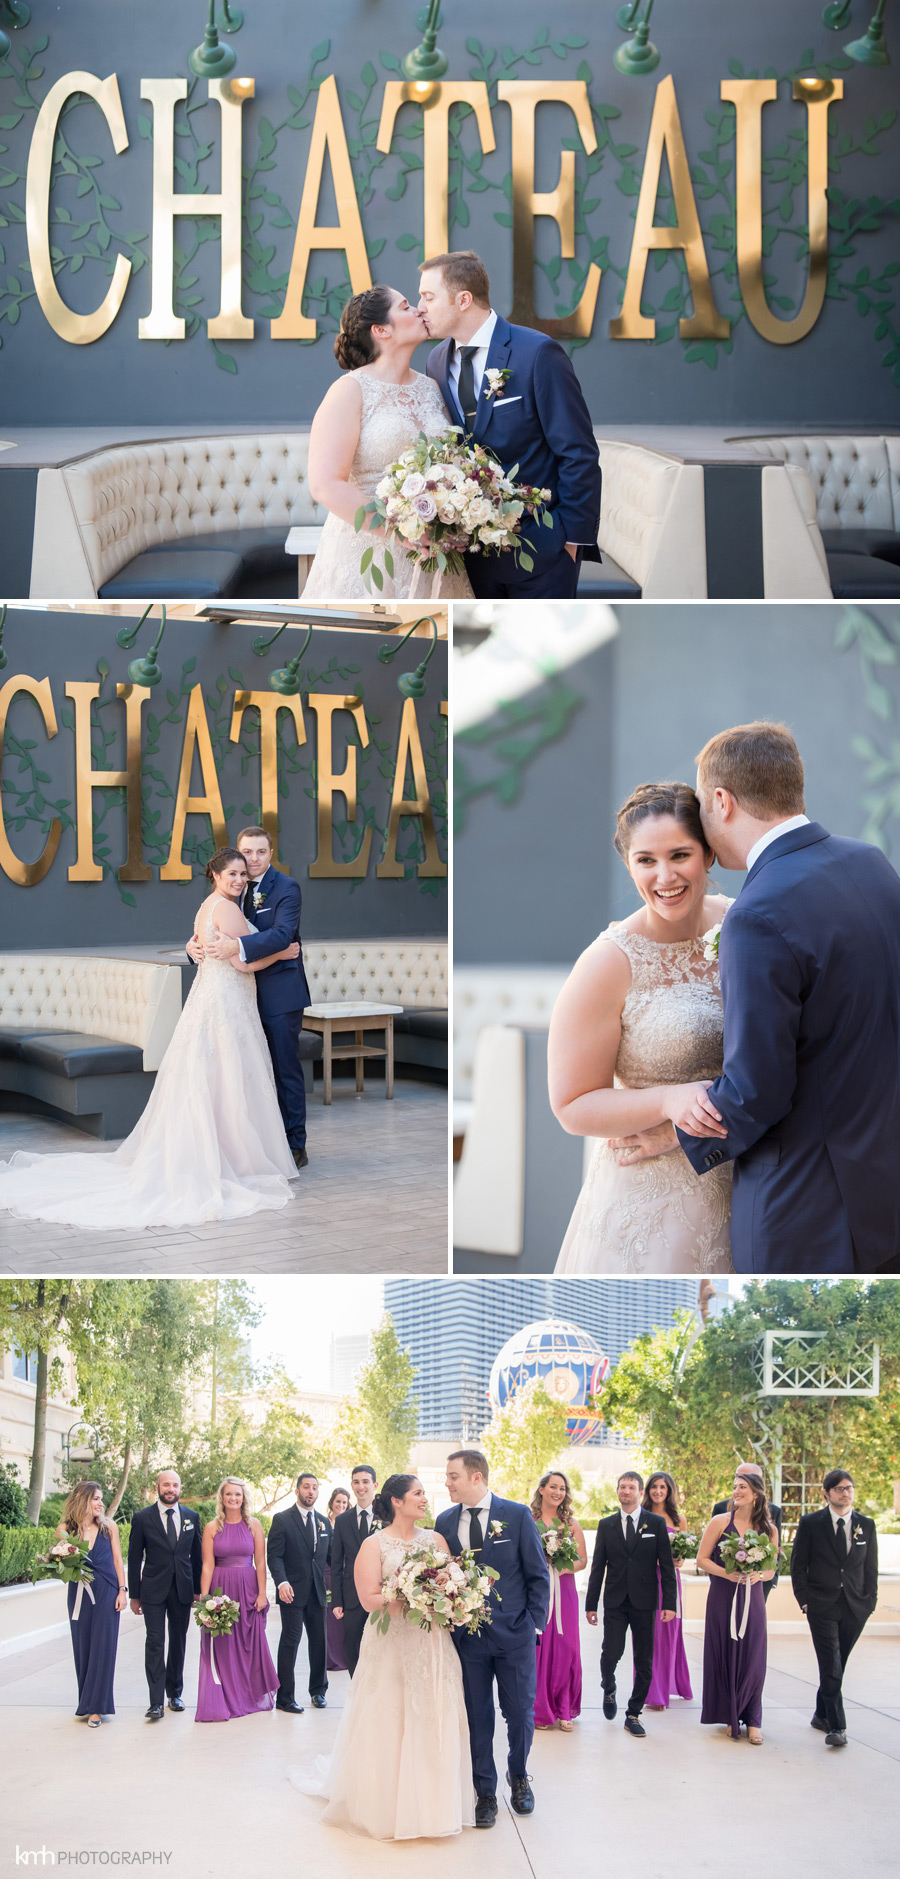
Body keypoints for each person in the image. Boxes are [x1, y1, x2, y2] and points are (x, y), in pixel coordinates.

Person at [670, 721, 900, 1272]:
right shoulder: (871, 863)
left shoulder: (757, 914)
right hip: (884, 1188)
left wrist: (672, 1135)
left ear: (721, 801)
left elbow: (756, 1090)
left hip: (807, 1209)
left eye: (702, 804)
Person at [0, 846, 301, 1228]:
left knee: (215, 1080)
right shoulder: (226, 907)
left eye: (243, 874)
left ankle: (222, 1153)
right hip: (226, 1004)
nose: (240, 881)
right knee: (229, 1079)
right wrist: (282, 953)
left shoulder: (207, 906)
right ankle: (235, 1159)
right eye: (233, 875)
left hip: (213, 1001)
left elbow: (212, 950)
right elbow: (242, 961)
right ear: (216, 876)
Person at [551, 782, 734, 1273]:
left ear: (708, 852)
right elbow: (572, 1106)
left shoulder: (745, 925)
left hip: (749, 1182)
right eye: (646, 860)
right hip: (650, 1202)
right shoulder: (608, 963)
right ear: (628, 864)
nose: (665, 876)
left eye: (680, 854)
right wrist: (667, 1101)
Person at [288, 1474, 473, 1839]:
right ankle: (384, 1806)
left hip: (430, 1644)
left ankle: (432, 1806)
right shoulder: (374, 1545)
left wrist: (448, 1599)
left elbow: (453, 1585)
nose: (424, 1499)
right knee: (388, 1716)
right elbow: (370, 1599)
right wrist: (410, 1594)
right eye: (418, 1493)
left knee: (432, 1716)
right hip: (390, 1644)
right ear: (397, 1502)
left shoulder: (436, 1539)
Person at [419, 250, 602, 600]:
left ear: (463, 300)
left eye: (428, 297)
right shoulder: (436, 361)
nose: (420, 307)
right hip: (473, 558)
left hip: (544, 552)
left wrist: (570, 542)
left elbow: (578, 451)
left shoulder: (536, 352)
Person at [302, 284, 472, 599]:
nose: (419, 309)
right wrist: (401, 530)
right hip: (369, 551)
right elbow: (325, 484)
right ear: (381, 330)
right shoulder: (350, 390)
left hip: (434, 550)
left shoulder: (432, 387)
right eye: (406, 306)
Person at [436, 1448, 549, 1826]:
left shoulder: (516, 1516)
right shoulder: (445, 1522)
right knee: (476, 1716)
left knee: (519, 1712)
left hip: (515, 1636)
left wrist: (534, 1623)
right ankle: (485, 1792)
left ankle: (519, 1776)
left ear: (475, 1477)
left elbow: (537, 1574)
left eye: (453, 1476)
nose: (447, 1482)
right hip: (468, 1641)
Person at [191, 826, 312, 1172]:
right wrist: (192, 945)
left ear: (270, 853)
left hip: (278, 992)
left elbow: (282, 934)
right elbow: (213, 928)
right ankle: (255, 1145)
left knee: (283, 1068)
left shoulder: (286, 888)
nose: (253, 859)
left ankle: (294, 1144)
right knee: (246, 1072)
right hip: (237, 995)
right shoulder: (233, 888)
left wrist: (236, 947)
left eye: (260, 852)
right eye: (247, 852)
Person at [584, 1470, 677, 1738]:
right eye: (622, 1487)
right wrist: (591, 1604)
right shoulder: (606, 1524)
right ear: (617, 1491)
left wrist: (669, 1603)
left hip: (645, 1602)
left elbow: (667, 1568)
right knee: (610, 1652)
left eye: (631, 1487)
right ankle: (609, 1686)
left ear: (640, 1492)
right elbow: (598, 1566)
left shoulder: (656, 1524)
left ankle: (634, 1714)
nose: (626, 1491)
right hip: (614, 1600)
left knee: (644, 1660)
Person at [790, 1468, 878, 1748]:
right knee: (831, 1664)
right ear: (826, 1493)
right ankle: (837, 1726)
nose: (845, 1493)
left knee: (838, 1665)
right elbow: (798, 1565)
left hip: (856, 1605)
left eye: (849, 1488)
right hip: (820, 1603)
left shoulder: (867, 1524)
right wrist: (804, 1599)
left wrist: (870, 1601)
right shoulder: (811, 1523)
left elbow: (870, 1567)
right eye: (839, 1488)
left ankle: (819, 1714)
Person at [697, 1471, 777, 1744]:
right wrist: (725, 1573)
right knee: (725, 1651)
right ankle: (731, 1714)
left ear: (756, 1494)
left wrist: (759, 1576)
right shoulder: (720, 1522)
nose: (736, 1491)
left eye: (742, 1487)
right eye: (734, 1486)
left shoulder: (769, 1530)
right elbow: (702, 1559)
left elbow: (770, 1570)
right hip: (722, 1596)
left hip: (752, 1598)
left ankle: (753, 1720)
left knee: (753, 1656)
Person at [195, 1477, 277, 1722]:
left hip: (248, 1589)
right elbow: (207, 1565)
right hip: (221, 1589)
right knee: (223, 1646)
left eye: (237, 1495)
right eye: (229, 1494)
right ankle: (226, 1699)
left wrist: (262, 1593)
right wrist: (205, 1601)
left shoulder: (254, 1525)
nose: (233, 1498)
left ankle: (248, 1696)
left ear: (244, 1498)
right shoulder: (212, 1528)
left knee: (249, 1645)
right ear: (222, 1498)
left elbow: (260, 1563)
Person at [127, 1470, 203, 1722]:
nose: (170, 1489)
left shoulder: (192, 1517)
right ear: (157, 1487)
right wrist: (134, 1595)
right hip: (153, 1590)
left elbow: (198, 1557)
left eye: (175, 1485)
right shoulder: (142, 1518)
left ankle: (175, 1694)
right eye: (166, 1485)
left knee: (179, 1642)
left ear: (180, 1488)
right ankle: (155, 1701)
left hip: (182, 1589)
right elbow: (135, 1558)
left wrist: (197, 1590)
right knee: (155, 1642)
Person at [57, 1481, 127, 1726]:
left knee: (103, 1648)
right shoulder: (65, 1529)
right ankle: (86, 1702)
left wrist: (123, 1590)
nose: (100, 1503)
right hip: (79, 1593)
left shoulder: (109, 1528)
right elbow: (61, 1565)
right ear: (82, 1500)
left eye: (101, 1499)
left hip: (107, 1591)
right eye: (95, 1499)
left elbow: (118, 1560)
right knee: (83, 1646)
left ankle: (97, 1708)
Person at [267, 1472, 330, 1714]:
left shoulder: (324, 1522)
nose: (311, 1491)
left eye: (314, 1487)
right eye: (306, 1487)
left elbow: (332, 1558)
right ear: (297, 1491)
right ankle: (285, 1698)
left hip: (317, 1592)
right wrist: (281, 1582)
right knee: (290, 1642)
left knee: (319, 1642)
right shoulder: (282, 1519)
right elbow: (274, 1555)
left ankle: (318, 1691)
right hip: (291, 1592)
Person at [530, 1469, 586, 1731]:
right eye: (553, 1487)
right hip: (538, 1592)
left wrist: (561, 1567)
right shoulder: (529, 1520)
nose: (558, 1492)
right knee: (539, 1650)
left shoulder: (571, 1524)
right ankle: (541, 1710)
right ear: (541, 1489)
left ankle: (564, 1708)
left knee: (567, 1649)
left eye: (562, 1488)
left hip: (565, 1592)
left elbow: (582, 1560)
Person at [642, 1471, 692, 1709]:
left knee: (669, 1634)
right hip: (645, 1580)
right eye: (654, 1486)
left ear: (669, 1490)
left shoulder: (678, 1519)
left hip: (670, 1581)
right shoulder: (640, 1516)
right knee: (648, 1636)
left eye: (663, 1487)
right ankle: (652, 1691)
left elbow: (682, 1550)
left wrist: (679, 1559)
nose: (658, 1491)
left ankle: (668, 1687)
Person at [329, 1463, 380, 1676]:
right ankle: (357, 1691)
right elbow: (336, 1563)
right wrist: (337, 1600)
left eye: (365, 1482)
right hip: (351, 1597)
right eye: (357, 1482)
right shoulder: (342, 1521)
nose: (361, 1487)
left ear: (375, 1485)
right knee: (352, 1647)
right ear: (352, 1485)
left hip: (380, 1593)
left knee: (379, 1647)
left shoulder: (386, 1518)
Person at [712, 1461, 782, 1605]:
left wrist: (767, 1578)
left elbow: (775, 1552)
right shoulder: (720, 1510)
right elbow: (712, 1551)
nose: (739, 1482)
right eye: (737, 1477)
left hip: (758, 1583)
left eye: (745, 1479)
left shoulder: (774, 1512)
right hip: (724, 1583)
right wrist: (721, 1576)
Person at [324, 1487, 351, 1673]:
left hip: (346, 1574)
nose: (341, 1505)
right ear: (332, 1504)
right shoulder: (324, 1524)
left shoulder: (350, 1524)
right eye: (338, 1502)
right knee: (331, 1619)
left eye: (344, 1502)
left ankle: (346, 1657)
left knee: (345, 1620)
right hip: (328, 1573)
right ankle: (331, 1658)